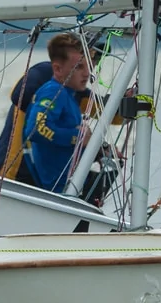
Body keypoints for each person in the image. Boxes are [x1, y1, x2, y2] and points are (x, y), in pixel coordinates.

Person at [0, 32, 123, 185]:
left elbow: (112, 115)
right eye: (89, 57)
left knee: (111, 182)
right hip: (15, 172)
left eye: (95, 59)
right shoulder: (45, 75)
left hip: (51, 175)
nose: (92, 66)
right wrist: (73, 133)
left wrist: (99, 148)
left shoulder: (74, 92)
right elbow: (19, 96)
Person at [21, 32, 115, 195]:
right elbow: (35, 129)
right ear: (58, 69)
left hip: (75, 182)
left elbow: (67, 146)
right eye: (79, 67)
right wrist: (77, 137)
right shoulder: (53, 92)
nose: (87, 73)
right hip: (63, 190)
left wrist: (98, 150)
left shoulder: (68, 94)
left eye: (88, 66)